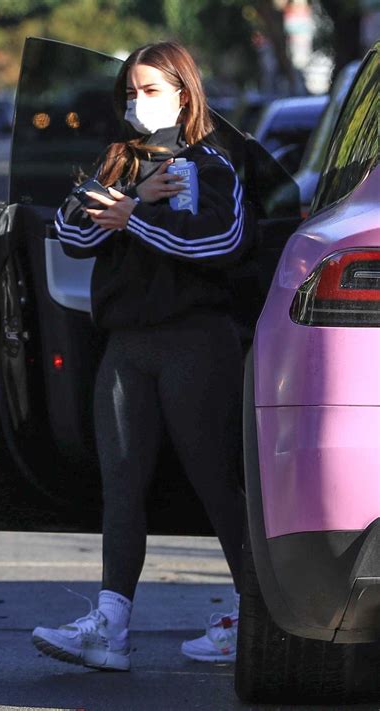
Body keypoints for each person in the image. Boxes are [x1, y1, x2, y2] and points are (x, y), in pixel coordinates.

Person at [32, 40, 251, 671]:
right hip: (127, 347)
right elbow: (70, 232)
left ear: (186, 93)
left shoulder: (213, 164)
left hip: (195, 344)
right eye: (131, 91)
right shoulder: (120, 163)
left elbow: (219, 242)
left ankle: (256, 612)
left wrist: (135, 217)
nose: (139, 103)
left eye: (152, 90)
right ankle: (110, 624)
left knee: (218, 481)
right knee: (121, 482)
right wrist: (129, 202)